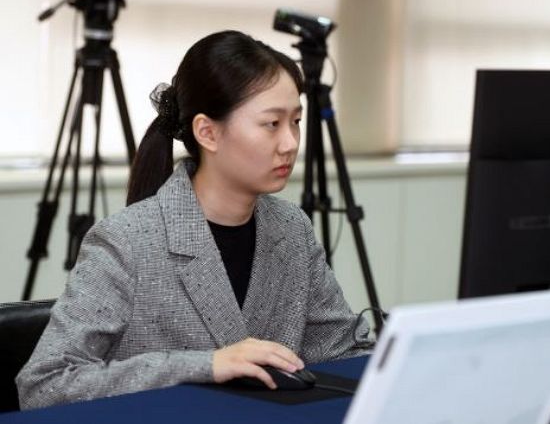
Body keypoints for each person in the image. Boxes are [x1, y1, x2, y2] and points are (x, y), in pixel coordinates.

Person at [16, 30, 372, 410]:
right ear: (207, 132)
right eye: (272, 124)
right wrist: (205, 365)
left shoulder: (291, 229)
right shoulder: (126, 241)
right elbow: (45, 386)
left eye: (296, 122)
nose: (290, 143)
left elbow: (344, 353)